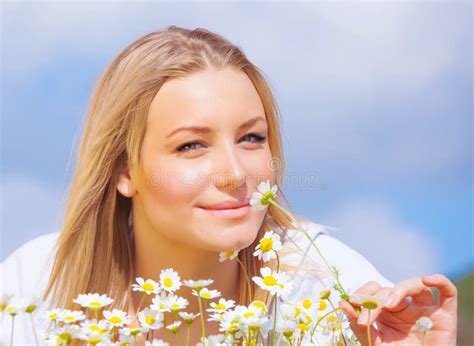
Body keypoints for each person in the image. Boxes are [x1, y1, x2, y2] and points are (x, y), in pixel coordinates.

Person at [1, 26, 457, 345]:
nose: (236, 174)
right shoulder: (33, 287)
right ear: (124, 171)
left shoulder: (332, 292)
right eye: (192, 146)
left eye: (251, 138)